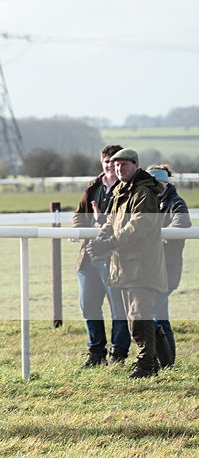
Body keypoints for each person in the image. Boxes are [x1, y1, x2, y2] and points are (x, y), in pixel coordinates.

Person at [87, 148, 168, 379]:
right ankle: (153, 362)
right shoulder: (121, 191)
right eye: (116, 165)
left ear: (136, 165)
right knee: (135, 319)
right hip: (125, 265)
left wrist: (109, 242)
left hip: (142, 265)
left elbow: (139, 226)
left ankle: (145, 364)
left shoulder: (143, 191)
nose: (119, 168)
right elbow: (111, 221)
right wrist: (101, 238)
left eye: (124, 164)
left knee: (139, 316)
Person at [72, 144, 130, 367]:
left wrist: (101, 221)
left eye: (114, 162)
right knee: (88, 305)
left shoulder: (128, 189)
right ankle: (96, 352)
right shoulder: (93, 186)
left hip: (114, 256)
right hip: (88, 256)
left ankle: (118, 353)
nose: (110, 166)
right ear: (102, 163)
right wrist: (78, 231)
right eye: (106, 162)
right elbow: (79, 214)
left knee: (118, 308)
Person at [147, 164, 191, 368]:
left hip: (167, 268)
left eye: (157, 183)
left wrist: (155, 237)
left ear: (166, 183)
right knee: (160, 318)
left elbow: (181, 225)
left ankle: (160, 361)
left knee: (151, 315)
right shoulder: (148, 203)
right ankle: (166, 362)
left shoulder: (177, 203)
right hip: (152, 268)